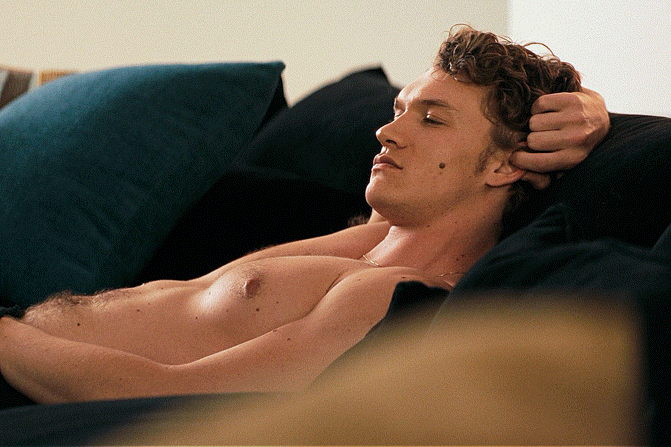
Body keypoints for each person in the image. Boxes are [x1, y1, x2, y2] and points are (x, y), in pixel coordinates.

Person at [0, 25, 610, 406]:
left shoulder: (395, 294)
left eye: (431, 118)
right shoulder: (371, 239)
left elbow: (175, 404)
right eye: (398, 110)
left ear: (504, 164)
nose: (387, 131)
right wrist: (588, 103)